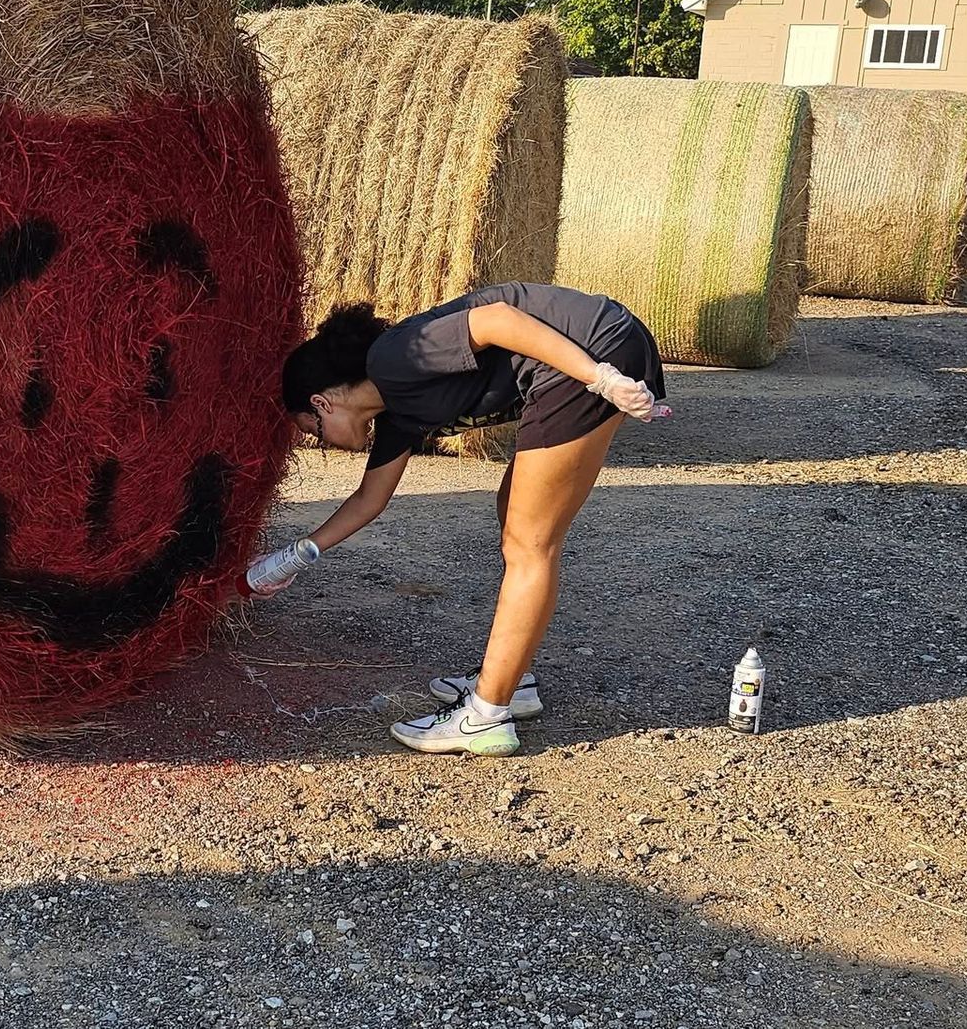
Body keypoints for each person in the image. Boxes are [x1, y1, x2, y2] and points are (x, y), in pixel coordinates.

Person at [245, 284, 669, 757]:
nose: (323, 444)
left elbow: (497, 320)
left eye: (314, 433)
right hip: (596, 349)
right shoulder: (398, 415)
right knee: (514, 514)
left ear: (322, 403)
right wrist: (295, 556)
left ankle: (486, 715)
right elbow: (370, 498)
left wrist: (599, 377)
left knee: (529, 544)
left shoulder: (393, 358)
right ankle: (510, 678)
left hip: (590, 352)